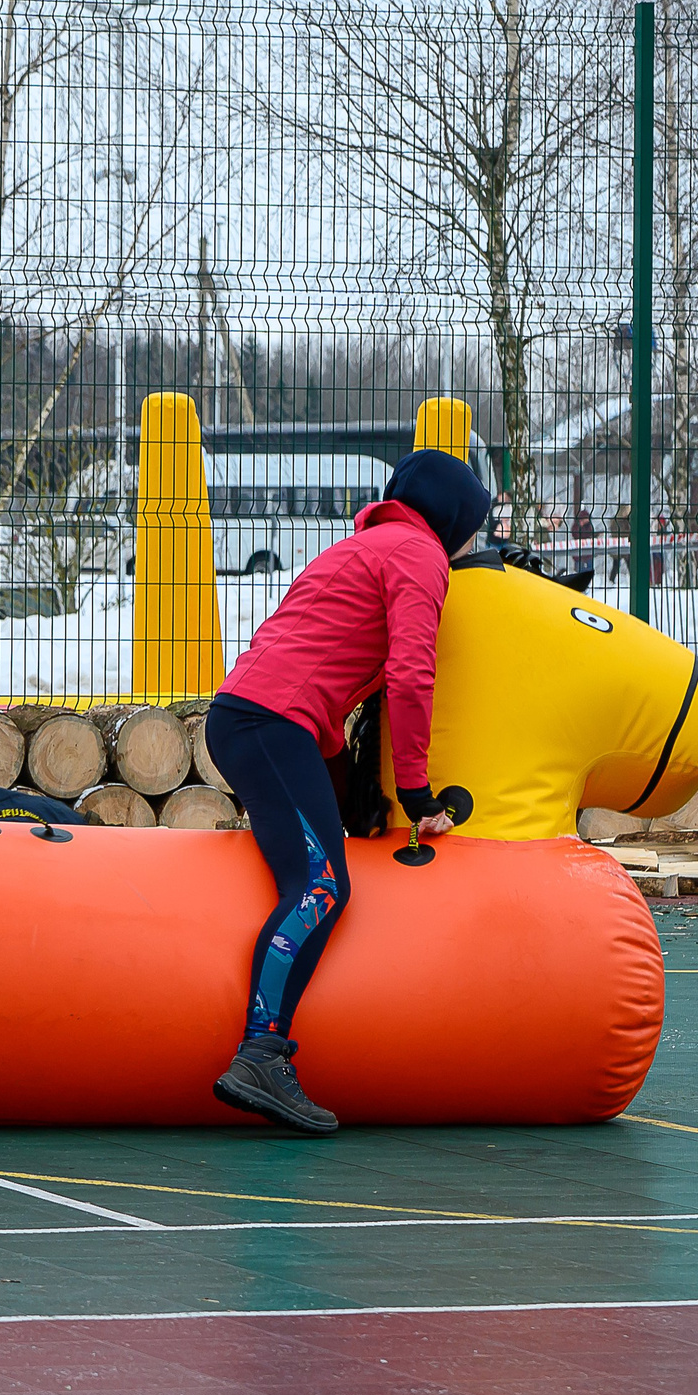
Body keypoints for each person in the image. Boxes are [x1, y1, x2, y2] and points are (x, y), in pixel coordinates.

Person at [199, 447, 489, 1137]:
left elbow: (314, 660)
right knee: (323, 886)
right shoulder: (420, 557)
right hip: (271, 725)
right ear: (451, 517)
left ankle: (262, 1051)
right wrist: (415, 792)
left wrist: (344, 790)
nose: (474, 540)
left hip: (252, 719)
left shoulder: (360, 548)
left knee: (321, 869)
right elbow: (411, 674)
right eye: (474, 525)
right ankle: (260, 1054)